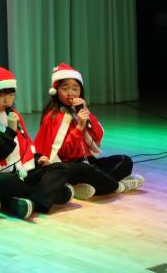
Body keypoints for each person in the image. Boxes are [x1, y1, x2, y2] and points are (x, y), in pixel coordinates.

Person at [0, 67, 78, 219]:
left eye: (10, 95)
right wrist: (9, 133)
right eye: (1, 95)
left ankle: (28, 200)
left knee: (61, 168)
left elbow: (25, 145)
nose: (7, 100)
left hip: (20, 171)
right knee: (9, 181)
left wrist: (37, 158)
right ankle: (51, 195)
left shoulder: (13, 114)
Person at [34, 63, 145, 198]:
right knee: (86, 169)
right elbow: (63, 152)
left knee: (124, 161)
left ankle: (84, 187)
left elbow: (97, 136)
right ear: (56, 91)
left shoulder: (77, 111)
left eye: (75, 88)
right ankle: (119, 186)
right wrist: (79, 127)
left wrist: (86, 112)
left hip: (87, 161)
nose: (70, 93)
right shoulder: (53, 116)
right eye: (65, 88)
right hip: (68, 166)